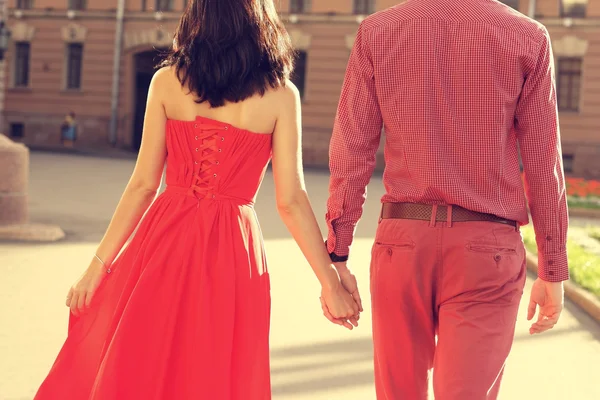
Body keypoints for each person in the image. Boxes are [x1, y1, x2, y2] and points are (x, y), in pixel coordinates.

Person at [34, 1, 360, 399]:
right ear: (260, 19)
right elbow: (291, 200)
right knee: (214, 367)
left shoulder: (167, 82)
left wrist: (97, 268)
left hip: (164, 241)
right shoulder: (282, 95)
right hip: (234, 253)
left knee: (147, 360)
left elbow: (142, 185)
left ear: (198, 16)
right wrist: (331, 283)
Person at [325, 1, 568, 399]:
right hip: (486, 251)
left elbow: (351, 149)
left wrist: (337, 255)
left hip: (401, 245)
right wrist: (553, 268)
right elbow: (543, 162)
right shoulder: (527, 36)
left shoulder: (377, 31)